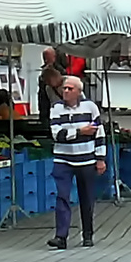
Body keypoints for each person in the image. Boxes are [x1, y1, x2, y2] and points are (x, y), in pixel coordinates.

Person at [48, 75, 105, 249]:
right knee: (62, 197)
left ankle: (87, 234)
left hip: (86, 159)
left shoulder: (90, 108)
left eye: (69, 89)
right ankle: (61, 236)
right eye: (64, 88)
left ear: (79, 92)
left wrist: (100, 158)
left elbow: (99, 133)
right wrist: (81, 131)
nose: (65, 91)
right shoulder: (56, 109)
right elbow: (58, 135)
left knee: (87, 199)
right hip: (63, 159)